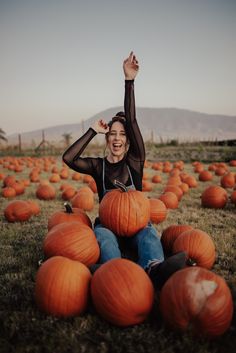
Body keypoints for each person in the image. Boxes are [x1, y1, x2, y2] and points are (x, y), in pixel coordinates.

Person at [62, 51, 186, 289]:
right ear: (107, 138)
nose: (117, 138)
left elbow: (133, 120)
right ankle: (114, 272)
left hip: (137, 225)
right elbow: (68, 158)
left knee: (149, 234)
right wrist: (91, 131)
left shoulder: (135, 162)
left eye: (122, 134)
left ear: (128, 142)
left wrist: (129, 81)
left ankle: (154, 268)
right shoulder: (98, 166)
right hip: (110, 225)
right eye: (112, 134)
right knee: (104, 237)